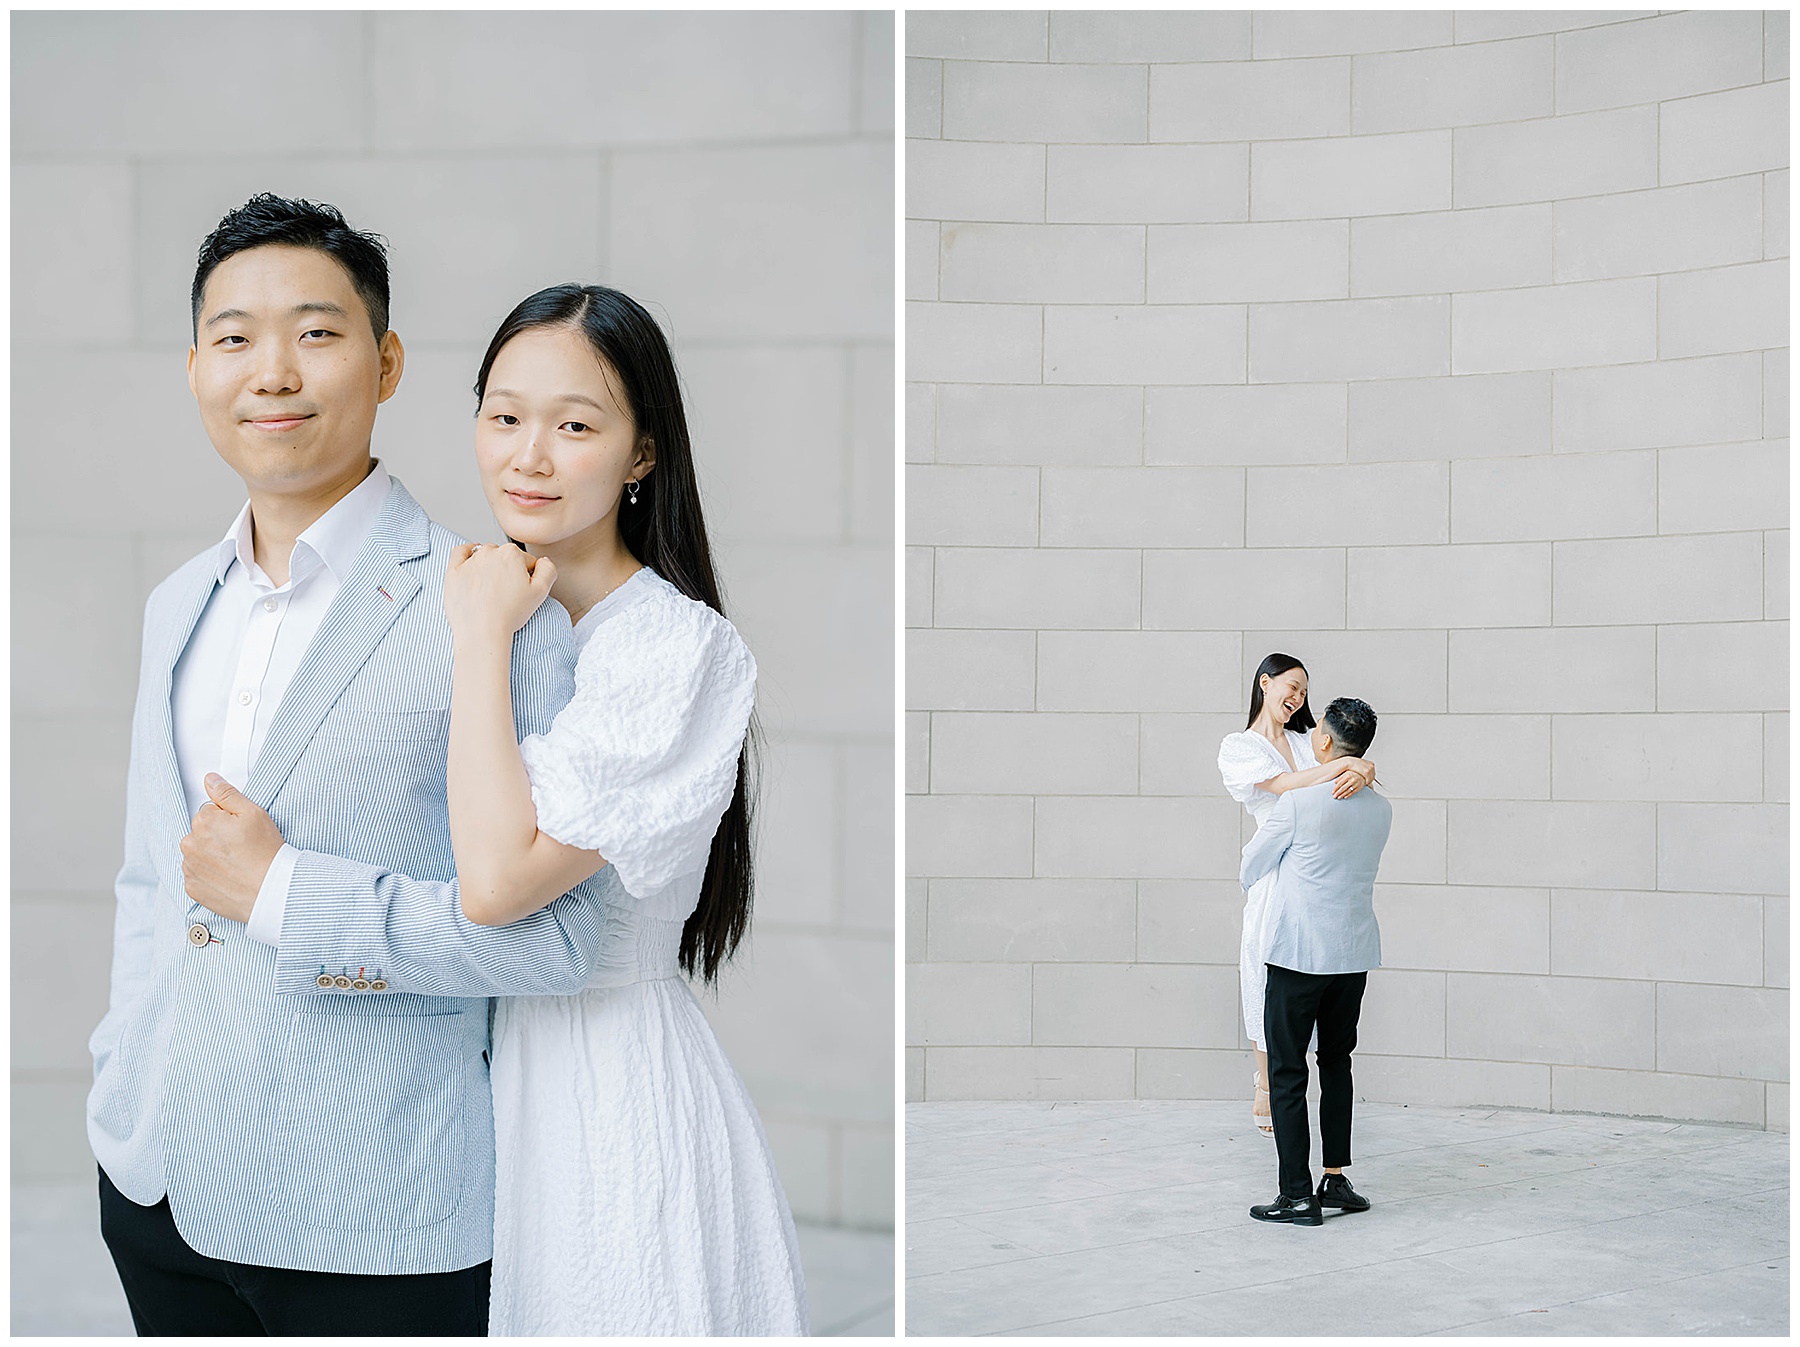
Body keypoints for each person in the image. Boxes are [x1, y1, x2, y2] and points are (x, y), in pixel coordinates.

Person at [188, 284, 809, 1334]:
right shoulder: (462, 592)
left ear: (641, 454)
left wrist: (480, 639)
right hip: (464, 1099)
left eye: (574, 426)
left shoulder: (670, 647)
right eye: (504, 415)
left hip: (604, 1092)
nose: (528, 455)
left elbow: (496, 882)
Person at [89, 194, 613, 1335]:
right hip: (155, 1181)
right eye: (234, 338)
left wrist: (283, 894)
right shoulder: (176, 604)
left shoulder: (494, 609)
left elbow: (568, 940)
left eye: (316, 334)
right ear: (194, 369)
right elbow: (151, 882)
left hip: (371, 1208)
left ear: (385, 363)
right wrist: (120, 1076)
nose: (270, 372)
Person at [1240, 697, 1392, 1226]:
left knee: (1287, 1071)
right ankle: (1335, 1179)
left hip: (1298, 954)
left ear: (1323, 743)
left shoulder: (1300, 803)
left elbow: (1251, 864)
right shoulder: (1381, 807)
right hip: (1351, 958)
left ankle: (1296, 1194)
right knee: (1337, 1064)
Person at [1217, 655, 1376, 1134]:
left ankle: (1291, 1088)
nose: (1298, 698)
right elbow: (1285, 787)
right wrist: (1353, 764)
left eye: (1305, 692)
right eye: (1291, 686)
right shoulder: (1239, 747)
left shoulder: (1311, 743)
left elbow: (1337, 763)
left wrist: (1362, 769)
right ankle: (1267, 1082)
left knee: (1310, 980)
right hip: (1272, 870)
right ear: (1264, 683)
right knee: (1263, 973)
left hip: (1315, 870)